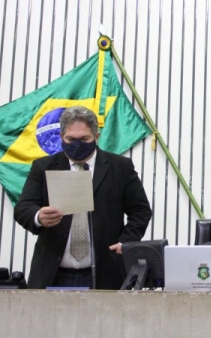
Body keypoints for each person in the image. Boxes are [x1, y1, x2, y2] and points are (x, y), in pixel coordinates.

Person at [14, 106, 152, 289]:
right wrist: (38, 216)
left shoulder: (120, 167)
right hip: (53, 273)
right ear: (62, 136)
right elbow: (23, 207)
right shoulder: (43, 166)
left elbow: (141, 211)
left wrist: (125, 242)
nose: (77, 144)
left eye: (84, 139)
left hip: (104, 272)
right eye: (71, 139)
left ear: (96, 136)